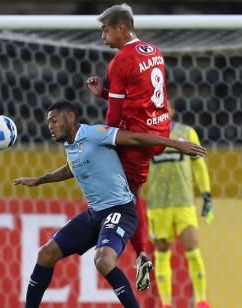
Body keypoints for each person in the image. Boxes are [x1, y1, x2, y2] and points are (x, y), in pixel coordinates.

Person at [15, 102, 205, 308]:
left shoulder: (95, 133)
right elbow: (70, 168)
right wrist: (39, 180)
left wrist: (176, 144)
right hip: (94, 214)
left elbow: (134, 137)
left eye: (54, 120)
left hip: (121, 210)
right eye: (48, 123)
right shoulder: (70, 146)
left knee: (103, 261)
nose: (50, 126)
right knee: (46, 253)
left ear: (70, 117)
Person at [86, 3, 171, 291]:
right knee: (128, 193)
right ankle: (138, 251)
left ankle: (141, 255)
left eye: (106, 30)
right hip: (159, 131)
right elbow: (141, 96)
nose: (103, 36)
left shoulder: (120, 61)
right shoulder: (154, 51)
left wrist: (106, 142)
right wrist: (105, 94)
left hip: (138, 139)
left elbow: (114, 116)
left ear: (122, 27)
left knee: (127, 200)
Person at [144, 102, 214, 308]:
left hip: (184, 202)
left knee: (192, 246)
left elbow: (199, 166)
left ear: (171, 110)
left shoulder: (187, 132)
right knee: (162, 251)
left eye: (163, 107)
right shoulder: (146, 137)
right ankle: (166, 304)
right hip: (158, 204)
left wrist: (207, 196)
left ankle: (201, 300)